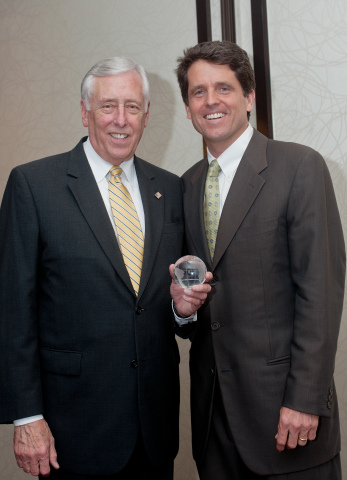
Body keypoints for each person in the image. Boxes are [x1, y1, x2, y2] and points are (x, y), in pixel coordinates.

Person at [0, 56, 210, 479]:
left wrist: (182, 310)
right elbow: (11, 311)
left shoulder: (169, 188)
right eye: (107, 106)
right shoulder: (34, 186)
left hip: (153, 429)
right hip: (72, 432)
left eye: (132, 107)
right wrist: (26, 417)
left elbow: (174, 305)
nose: (121, 119)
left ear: (146, 116)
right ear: (84, 112)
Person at [172, 40, 346, 479]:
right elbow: (193, 299)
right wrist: (181, 311)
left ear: (249, 97)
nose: (210, 101)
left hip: (288, 419)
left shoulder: (299, 166)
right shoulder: (186, 186)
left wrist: (306, 399)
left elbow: (321, 292)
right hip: (214, 422)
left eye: (224, 88)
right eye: (197, 92)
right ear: (188, 107)